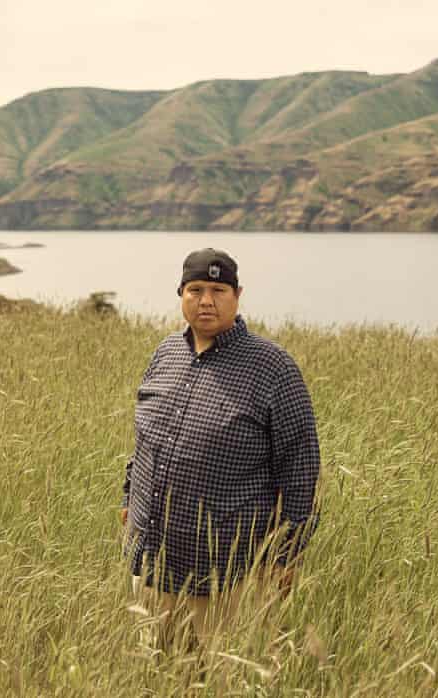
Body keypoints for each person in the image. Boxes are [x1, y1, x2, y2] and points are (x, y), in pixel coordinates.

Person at [121, 248, 321, 648]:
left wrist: (287, 555)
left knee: (219, 681)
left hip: (226, 576)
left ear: (237, 294)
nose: (206, 300)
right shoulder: (166, 354)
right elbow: (146, 441)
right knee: (153, 676)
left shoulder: (273, 369)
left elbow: (301, 472)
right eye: (195, 289)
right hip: (154, 563)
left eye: (218, 289)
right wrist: (130, 499)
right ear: (181, 293)